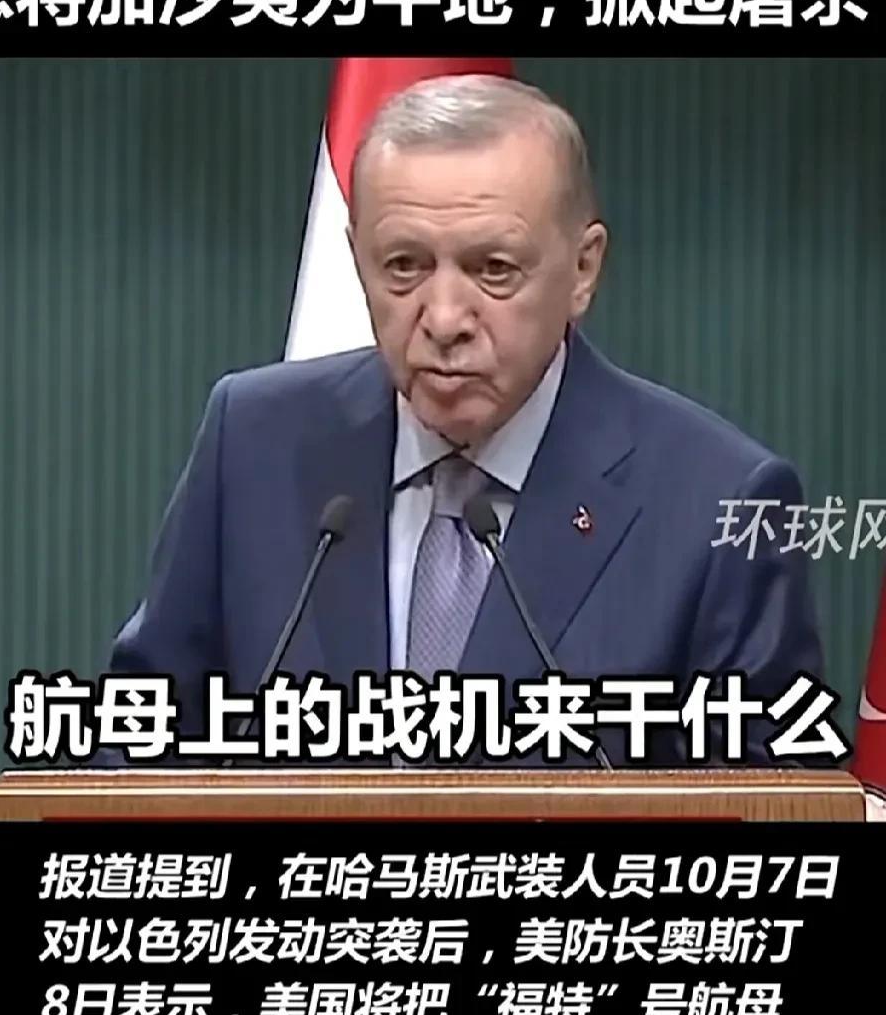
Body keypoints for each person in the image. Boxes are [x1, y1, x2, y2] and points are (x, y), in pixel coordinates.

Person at [105, 73, 824, 769]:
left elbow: (766, 808)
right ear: (357, 259)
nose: (445, 319)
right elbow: (134, 743)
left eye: (494, 269)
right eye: (404, 265)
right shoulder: (255, 442)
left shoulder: (719, 500)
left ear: (582, 269)